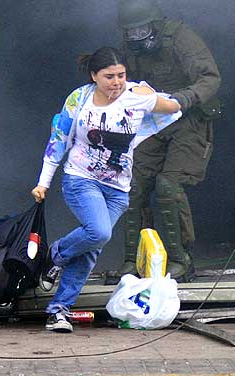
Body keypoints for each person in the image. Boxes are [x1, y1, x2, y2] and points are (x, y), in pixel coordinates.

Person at [31, 46, 181, 333]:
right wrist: (43, 182)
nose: (116, 82)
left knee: (90, 249)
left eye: (121, 75)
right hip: (80, 179)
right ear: (94, 76)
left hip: (118, 189)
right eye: (109, 76)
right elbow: (58, 139)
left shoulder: (136, 96)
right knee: (99, 232)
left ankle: (58, 311)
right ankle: (56, 255)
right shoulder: (79, 99)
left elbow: (174, 108)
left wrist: (149, 92)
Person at [104, 0, 221, 285]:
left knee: (169, 185)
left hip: (188, 119)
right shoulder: (129, 51)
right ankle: (134, 259)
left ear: (155, 25)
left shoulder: (181, 38)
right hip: (153, 123)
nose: (136, 37)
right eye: (130, 32)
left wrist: (183, 99)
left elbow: (210, 78)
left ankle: (181, 260)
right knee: (131, 185)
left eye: (142, 30)